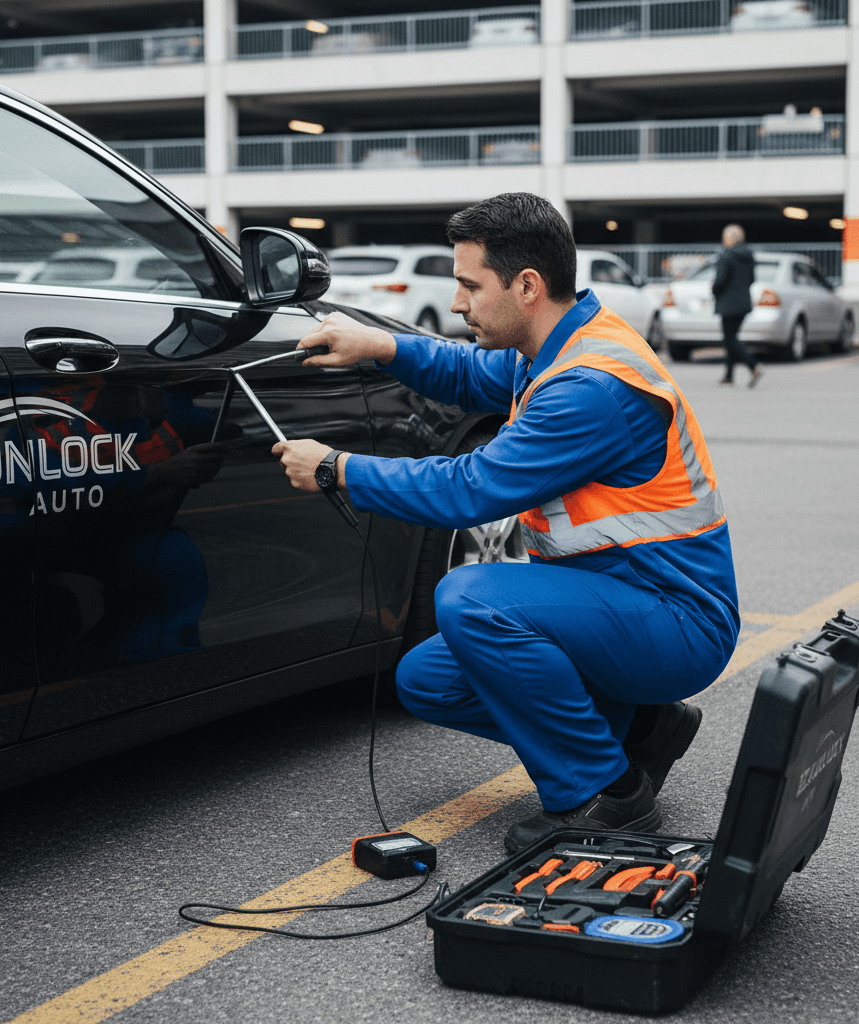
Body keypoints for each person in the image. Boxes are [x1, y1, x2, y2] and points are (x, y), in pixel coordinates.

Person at [273, 193, 739, 852]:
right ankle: (638, 733)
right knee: (427, 679)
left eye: (469, 284)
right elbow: (466, 372)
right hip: (622, 600)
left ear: (527, 286)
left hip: (676, 620)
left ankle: (604, 795)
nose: (458, 302)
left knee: (471, 600)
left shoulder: (589, 388)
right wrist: (377, 345)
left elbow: (473, 487)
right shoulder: (556, 346)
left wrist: (337, 469)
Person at [713, 224, 763, 387]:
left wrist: (715, 291)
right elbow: (752, 279)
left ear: (729, 239)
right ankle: (728, 375)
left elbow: (719, 281)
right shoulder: (749, 256)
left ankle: (753, 366)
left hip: (727, 304)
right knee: (731, 338)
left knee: (730, 339)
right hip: (743, 303)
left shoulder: (726, 256)